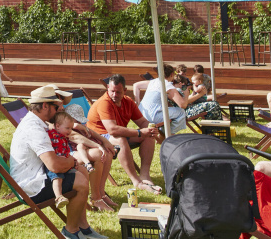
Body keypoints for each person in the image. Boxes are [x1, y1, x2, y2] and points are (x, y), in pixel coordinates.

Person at [10, 85, 107, 239]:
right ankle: (71, 231)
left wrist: (73, 162)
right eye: (56, 107)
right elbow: (54, 165)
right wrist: (72, 161)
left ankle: (84, 227)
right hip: (32, 186)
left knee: (81, 171)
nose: (59, 110)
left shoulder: (36, 122)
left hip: (35, 175)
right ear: (45, 105)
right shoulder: (34, 129)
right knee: (80, 181)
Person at [87, 74, 162, 195]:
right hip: (98, 137)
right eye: (112, 91)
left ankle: (145, 175)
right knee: (120, 140)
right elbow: (112, 130)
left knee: (148, 136)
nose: (114, 95)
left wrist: (150, 128)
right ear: (107, 88)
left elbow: (142, 121)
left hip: (117, 134)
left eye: (118, 92)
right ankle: (136, 181)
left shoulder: (128, 101)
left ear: (125, 91)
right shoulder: (104, 103)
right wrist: (138, 132)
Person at [132, 64, 188, 135]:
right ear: (171, 74)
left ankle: (163, 132)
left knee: (168, 109)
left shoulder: (153, 82)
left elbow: (136, 85)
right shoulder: (167, 85)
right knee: (181, 112)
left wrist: (138, 102)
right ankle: (168, 134)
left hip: (141, 114)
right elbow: (182, 105)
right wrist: (186, 94)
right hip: (153, 116)